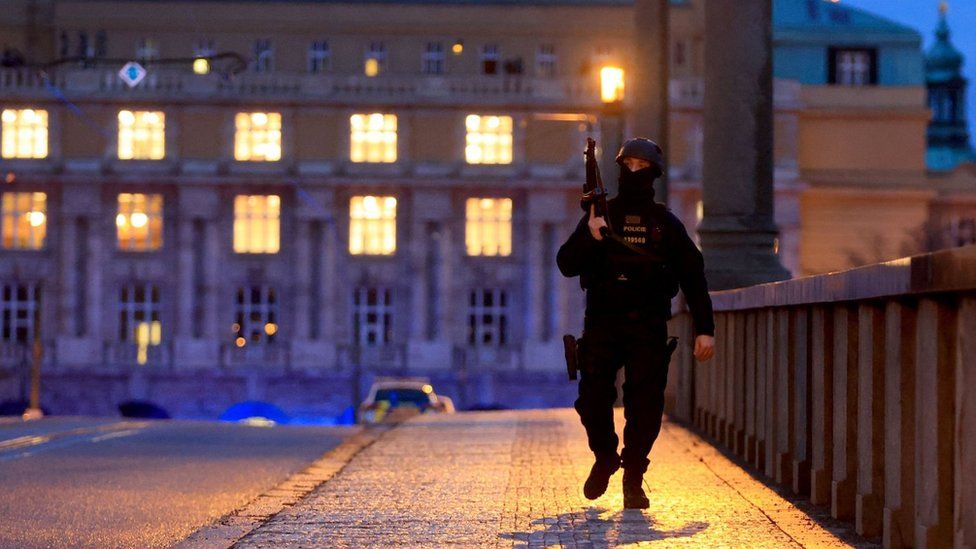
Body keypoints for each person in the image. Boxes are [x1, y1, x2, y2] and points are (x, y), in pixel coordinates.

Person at [556, 137, 715, 509]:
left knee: (645, 406)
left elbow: (694, 276)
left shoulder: (665, 224)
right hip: (602, 324)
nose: (634, 172)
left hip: (647, 326)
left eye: (642, 166)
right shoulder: (600, 215)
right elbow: (566, 263)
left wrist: (705, 328)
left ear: (654, 173)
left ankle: (633, 477)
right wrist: (591, 236)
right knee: (592, 401)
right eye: (628, 165)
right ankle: (605, 457)